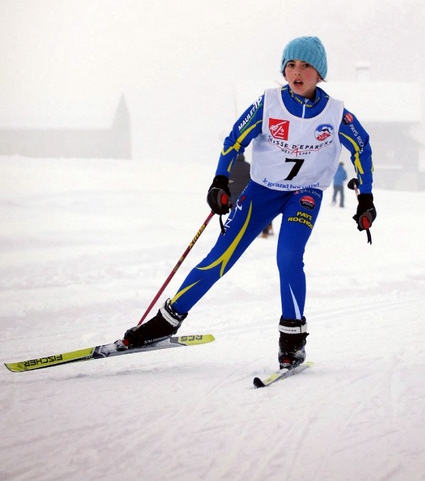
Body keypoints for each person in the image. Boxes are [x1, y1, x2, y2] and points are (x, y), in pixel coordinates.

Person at [122, 36, 376, 369]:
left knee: (288, 257)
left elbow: (362, 148)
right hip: (262, 191)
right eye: (290, 65)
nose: (297, 72)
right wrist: (219, 181)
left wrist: (366, 198)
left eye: (306, 66)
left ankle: (293, 338)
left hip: (306, 193)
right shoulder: (268, 104)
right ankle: (166, 322)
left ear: (320, 74)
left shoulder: (335, 113)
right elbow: (234, 141)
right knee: (220, 257)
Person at [229, 153, 273, 238]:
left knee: (236, 215)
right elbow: (253, 179)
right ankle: (264, 231)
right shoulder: (247, 166)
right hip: (244, 194)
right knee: (252, 212)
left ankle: (237, 232)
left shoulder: (231, 168)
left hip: (232, 194)